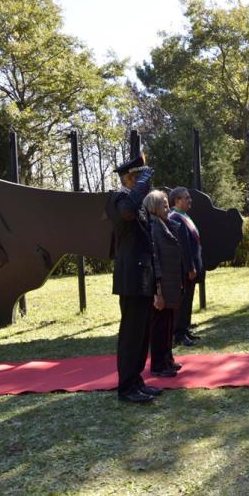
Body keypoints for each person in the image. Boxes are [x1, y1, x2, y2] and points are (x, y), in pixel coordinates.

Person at [107, 153, 163, 404]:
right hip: (131, 279)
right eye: (140, 179)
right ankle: (126, 387)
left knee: (141, 334)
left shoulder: (137, 204)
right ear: (129, 179)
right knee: (131, 334)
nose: (146, 184)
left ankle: (136, 380)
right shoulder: (119, 200)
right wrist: (141, 187)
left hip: (143, 278)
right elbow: (127, 212)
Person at [144, 190, 184, 377]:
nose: (168, 207)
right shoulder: (153, 227)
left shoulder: (164, 224)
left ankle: (167, 359)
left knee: (168, 323)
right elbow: (155, 259)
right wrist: (157, 290)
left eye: (168, 204)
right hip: (161, 284)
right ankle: (159, 365)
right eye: (164, 204)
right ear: (154, 207)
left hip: (170, 283)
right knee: (160, 326)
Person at [169, 187, 202, 347]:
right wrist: (190, 268)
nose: (190, 200)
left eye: (190, 197)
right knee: (182, 301)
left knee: (188, 299)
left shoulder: (184, 216)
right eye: (186, 198)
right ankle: (179, 334)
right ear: (177, 201)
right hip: (184, 269)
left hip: (191, 267)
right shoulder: (175, 217)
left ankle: (185, 329)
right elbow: (183, 247)